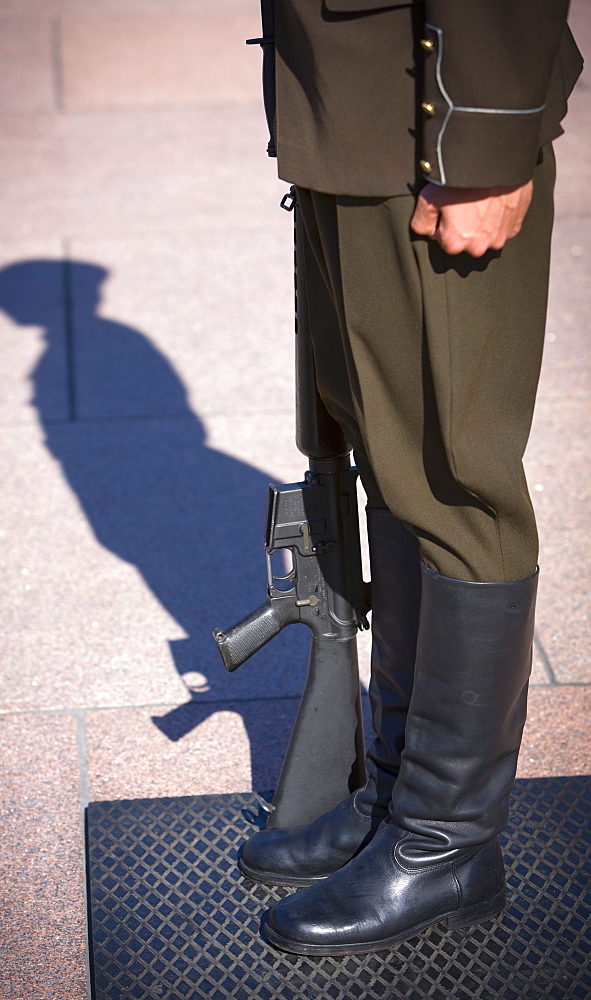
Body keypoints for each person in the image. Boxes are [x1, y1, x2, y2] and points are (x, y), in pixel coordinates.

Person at [238, 0, 584, 956]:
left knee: (454, 479)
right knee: (393, 463)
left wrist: (483, 142)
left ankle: (446, 845)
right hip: (350, 122)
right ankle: (399, 792)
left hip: (431, 130)